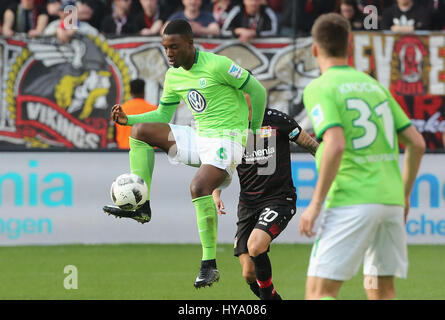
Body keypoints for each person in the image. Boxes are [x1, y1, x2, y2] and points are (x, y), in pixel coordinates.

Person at [103, 19, 267, 289]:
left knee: (198, 186)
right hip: (198, 137)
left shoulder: (218, 65)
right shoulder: (173, 76)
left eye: (175, 47)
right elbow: (163, 115)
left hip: (228, 141)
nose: (169, 53)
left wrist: (255, 132)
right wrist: (128, 120)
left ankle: (209, 265)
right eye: (166, 48)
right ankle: (142, 205)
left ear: (190, 44)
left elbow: (257, 90)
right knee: (142, 131)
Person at [299, 13, 425, 300]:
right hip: (390, 203)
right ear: (351, 45)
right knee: (381, 291)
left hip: (351, 201)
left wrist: (315, 205)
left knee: (320, 293)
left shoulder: (320, 86)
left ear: (315, 49)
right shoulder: (374, 86)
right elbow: (416, 143)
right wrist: (404, 196)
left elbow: (335, 144)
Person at [212, 95, 319, 300]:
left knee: (255, 245)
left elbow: (312, 146)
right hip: (248, 204)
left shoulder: (277, 119)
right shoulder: (230, 127)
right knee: (249, 273)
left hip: (279, 199)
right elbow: (222, 165)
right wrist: (216, 192)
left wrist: (332, 168)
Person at [115, 79, 158, 149]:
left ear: (130, 92)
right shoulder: (154, 110)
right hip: (148, 152)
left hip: (124, 150)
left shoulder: (120, 110)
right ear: (144, 91)